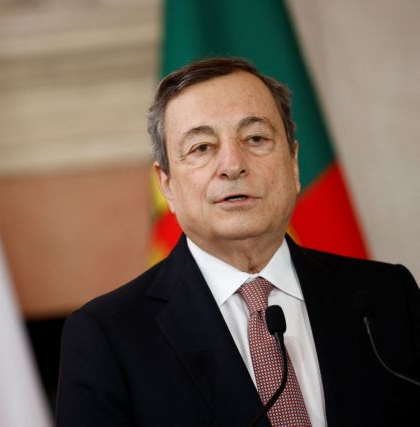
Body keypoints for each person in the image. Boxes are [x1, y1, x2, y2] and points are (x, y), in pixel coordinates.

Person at [56, 57, 420, 426]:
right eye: (202, 147)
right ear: (166, 184)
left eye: (256, 139)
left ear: (294, 163)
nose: (233, 165)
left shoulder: (389, 296)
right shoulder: (107, 337)